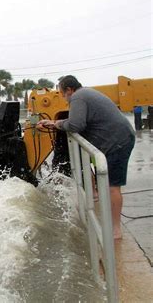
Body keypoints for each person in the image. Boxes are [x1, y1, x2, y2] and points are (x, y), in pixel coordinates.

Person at [37, 75, 135, 239]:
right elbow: (77, 120)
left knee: (113, 187)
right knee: (110, 185)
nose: (63, 98)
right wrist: (54, 123)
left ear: (69, 90)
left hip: (118, 142)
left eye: (62, 93)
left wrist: (58, 124)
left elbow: (76, 125)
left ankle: (116, 230)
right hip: (117, 139)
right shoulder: (85, 94)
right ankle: (111, 222)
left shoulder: (77, 97)